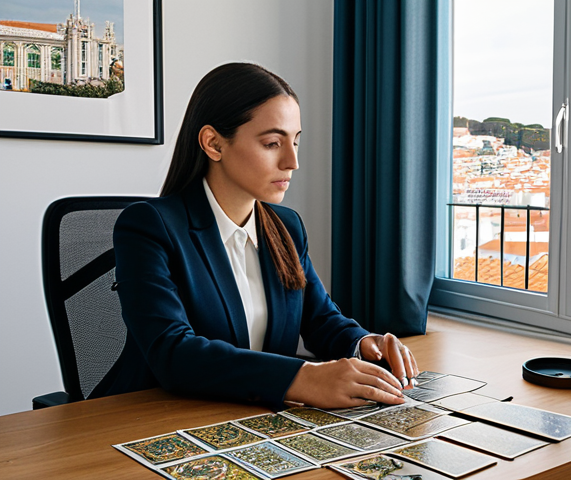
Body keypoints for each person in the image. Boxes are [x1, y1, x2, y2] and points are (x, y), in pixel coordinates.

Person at [91, 63, 419, 409]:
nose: (292, 161)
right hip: (152, 422)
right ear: (213, 143)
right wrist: (302, 378)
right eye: (273, 143)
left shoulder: (286, 227)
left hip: (253, 420)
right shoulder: (148, 227)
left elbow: (321, 319)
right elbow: (173, 353)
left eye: (295, 142)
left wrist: (364, 342)